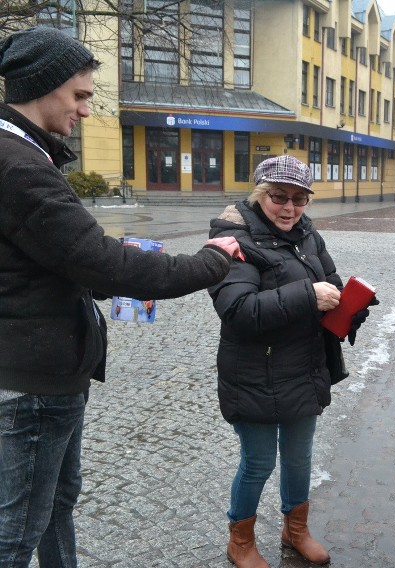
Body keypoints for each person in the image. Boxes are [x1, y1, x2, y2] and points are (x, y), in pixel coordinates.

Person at [0, 27, 243, 567]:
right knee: (16, 532)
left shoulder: (26, 156)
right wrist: (212, 260)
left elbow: (57, 259)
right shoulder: (18, 166)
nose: (86, 110)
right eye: (80, 96)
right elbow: (101, 261)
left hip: (46, 374)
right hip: (33, 383)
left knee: (56, 506)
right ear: (44, 87)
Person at [208, 155, 376, 568]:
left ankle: (295, 529)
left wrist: (349, 307)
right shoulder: (233, 239)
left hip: (303, 367)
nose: (289, 208)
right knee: (259, 461)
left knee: (300, 458)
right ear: (260, 194)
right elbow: (238, 310)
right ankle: (240, 541)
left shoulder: (307, 235)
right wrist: (309, 296)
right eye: (279, 198)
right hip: (253, 373)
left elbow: (329, 283)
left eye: (299, 200)